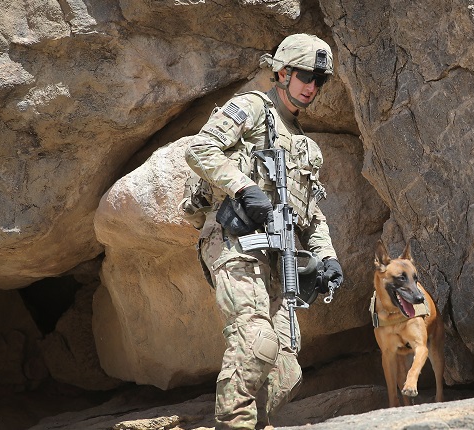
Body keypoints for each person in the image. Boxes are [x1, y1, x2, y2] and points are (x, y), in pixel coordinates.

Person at [184, 33, 345, 430]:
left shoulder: (307, 148)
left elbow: (312, 215)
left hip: (278, 256)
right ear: (283, 72)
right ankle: (232, 424)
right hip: (235, 240)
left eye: (319, 81)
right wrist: (245, 187)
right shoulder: (252, 108)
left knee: (286, 366)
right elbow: (201, 149)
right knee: (256, 341)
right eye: (306, 76)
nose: (312, 87)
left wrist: (328, 258)